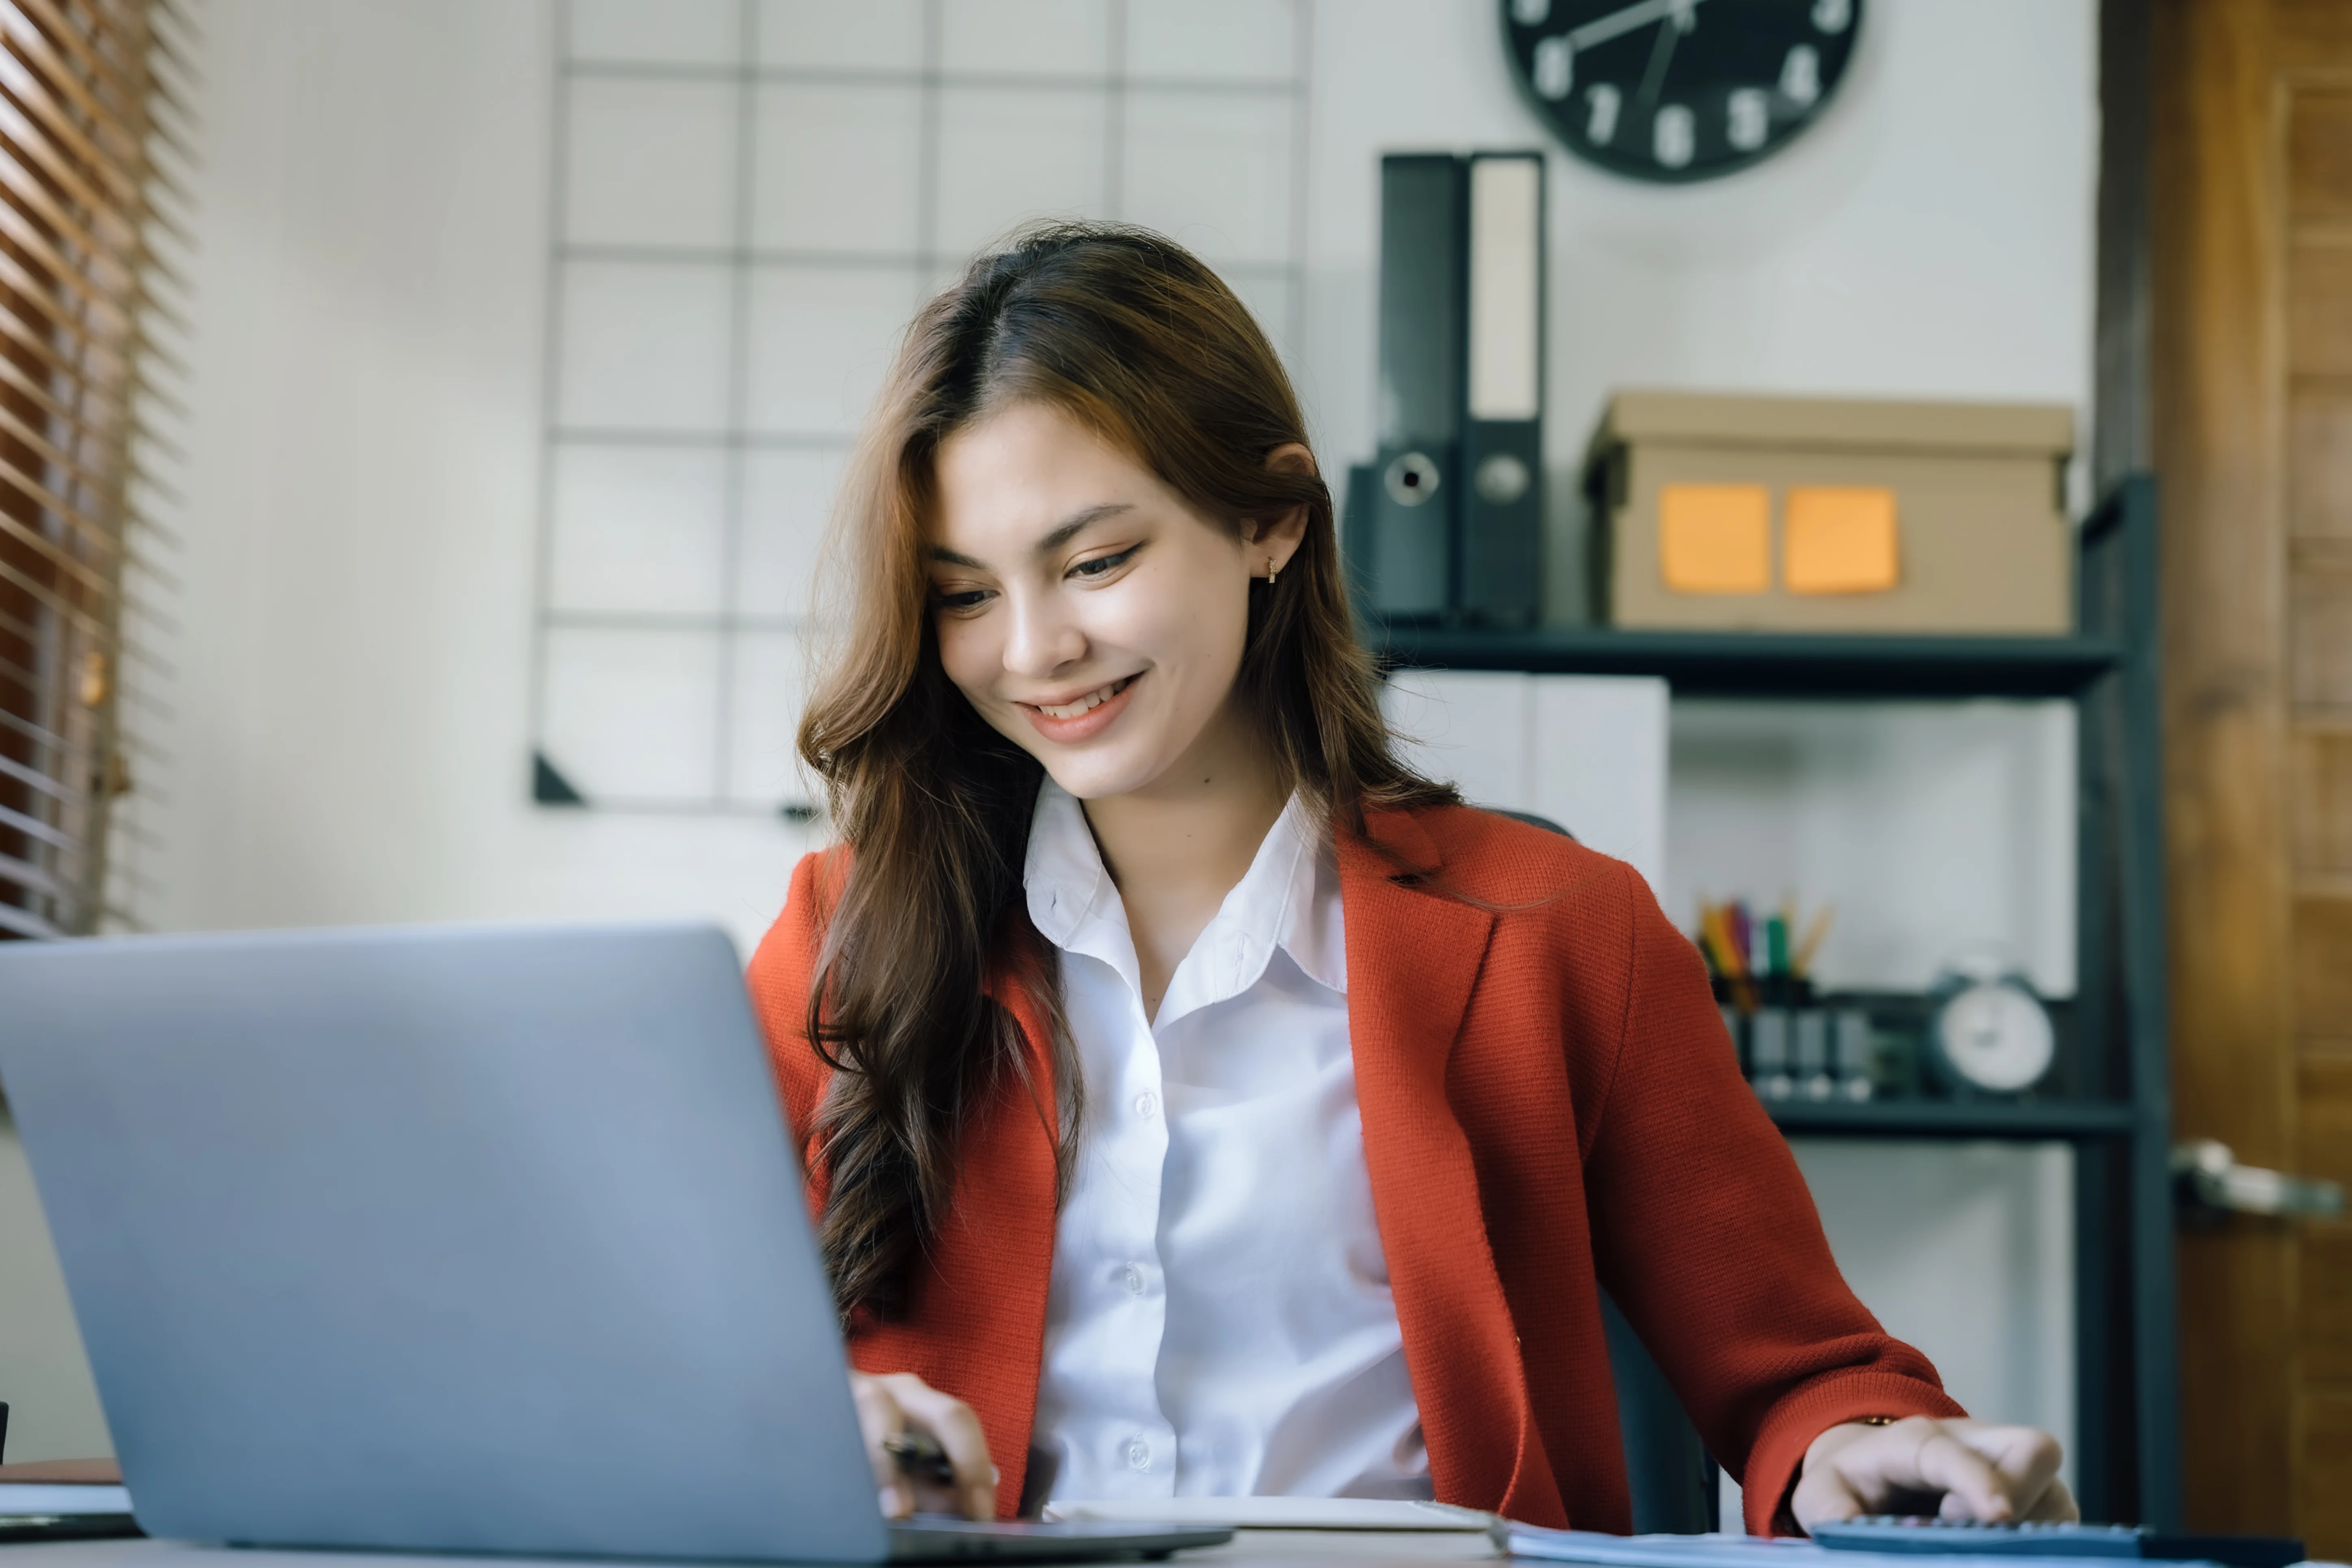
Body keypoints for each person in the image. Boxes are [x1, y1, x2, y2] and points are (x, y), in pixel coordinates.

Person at [745, 221, 2076, 1537]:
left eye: (1096, 562)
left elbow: (1802, 1373)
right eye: (966, 595)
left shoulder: (1561, 933)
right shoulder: (840, 939)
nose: (1033, 649)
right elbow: (691, 1361)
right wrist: (805, 1425)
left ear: (1268, 520)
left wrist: (1864, 1452)